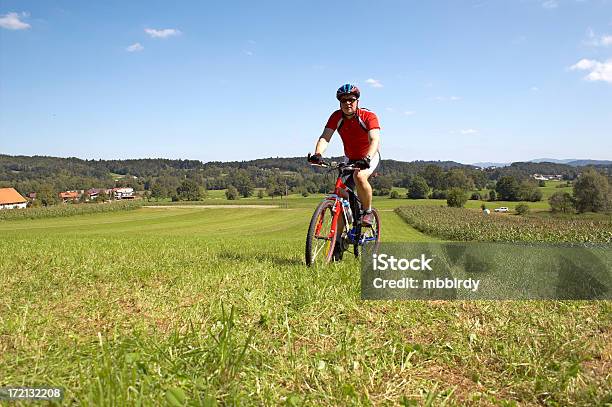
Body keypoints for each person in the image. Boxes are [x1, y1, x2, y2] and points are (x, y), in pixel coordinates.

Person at [308, 83, 381, 226]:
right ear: (340, 102)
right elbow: (325, 137)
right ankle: (338, 244)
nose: (348, 103)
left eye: (351, 100)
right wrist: (318, 153)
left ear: (357, 101)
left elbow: (374, 139)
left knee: (359, 176)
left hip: (370, 156)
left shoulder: (368, 116)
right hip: (350, 158)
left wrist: (366, 158)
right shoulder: (336, 116)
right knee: (340, 192)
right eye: (344, 100)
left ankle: (367, 212)